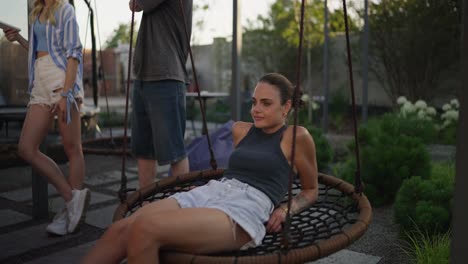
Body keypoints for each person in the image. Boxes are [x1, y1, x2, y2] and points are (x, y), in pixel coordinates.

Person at [82, 73, 319, 264]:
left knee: (144, 229)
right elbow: (235, 174)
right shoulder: (241, 130)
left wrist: (287, 209)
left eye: (266, 103)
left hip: (246, 207)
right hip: (214, 191)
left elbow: (310, 190)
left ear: (286, 106)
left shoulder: (296, 136)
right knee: (121, 228)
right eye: (254, 102)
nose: (256, 109)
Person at [2, 0, 89, 236]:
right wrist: (18, 39)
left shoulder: (65, 10)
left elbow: (74, 53)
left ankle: (70, 209)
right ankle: (72, 199)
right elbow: (41, 49)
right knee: (26, 148)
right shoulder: (38, 12)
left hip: (62, 79)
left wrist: (66, 93)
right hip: (40, 79)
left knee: (72, 147)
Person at [128, 0, 192, 188]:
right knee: (144, 150)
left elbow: (137, 4)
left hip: (166, 76)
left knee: (174, 152)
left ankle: (182, 208)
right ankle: (145, 204)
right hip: (144, 75)